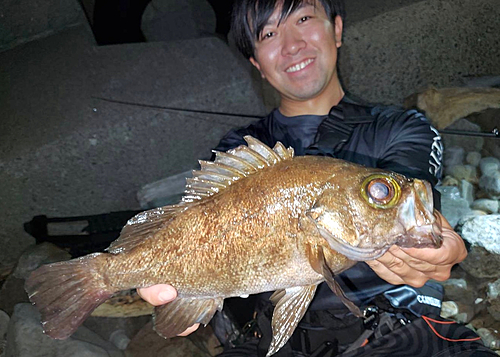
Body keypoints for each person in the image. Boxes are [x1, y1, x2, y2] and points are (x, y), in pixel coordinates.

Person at [137, 0, 491, 355]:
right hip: (269, 341)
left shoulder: (404, 128)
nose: (292, 45)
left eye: (304, 18)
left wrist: (434, 245)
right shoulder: (237, 148)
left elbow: (408, 202)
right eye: (269, 33)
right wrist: (183, 289)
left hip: (393, 334)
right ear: (256, 62)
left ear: (336, 29)